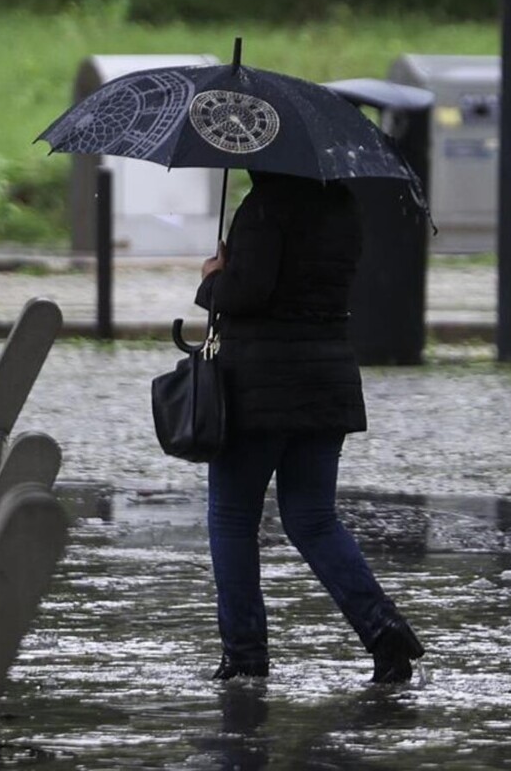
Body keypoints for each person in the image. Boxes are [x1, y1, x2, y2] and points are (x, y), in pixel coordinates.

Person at [194, 170, 424, 684]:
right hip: (327, 381)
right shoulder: (342, 205)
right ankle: (383, 629)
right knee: (313, 518)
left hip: (261, 389)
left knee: (231, 517)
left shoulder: (265, 208)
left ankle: (244, 656)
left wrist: (214, 277)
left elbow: (248, 292)